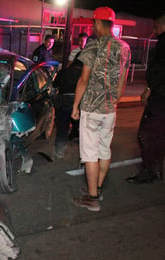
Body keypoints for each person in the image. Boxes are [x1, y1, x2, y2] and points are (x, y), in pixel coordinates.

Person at [71, 7, 131, 211]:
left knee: (89, 154)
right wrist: (115, 101)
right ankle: (97, 187)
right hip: (109, 109)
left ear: (97, 23)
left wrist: (75, 105)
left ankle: (92, 198)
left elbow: (83, 79)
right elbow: (122, 80)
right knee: (104, 150)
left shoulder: (93, 47)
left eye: (93, 23)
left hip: (91, 108)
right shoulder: (124, 48)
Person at [126, 13, 165, 184]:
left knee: (146, 133)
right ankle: (155, 166)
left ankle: (150, 169)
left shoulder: (163, 44)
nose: (154, 30)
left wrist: (149, 88)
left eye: (156, 26)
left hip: (160, 96)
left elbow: (160, 70)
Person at [52, 58, 83, 159]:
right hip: (80, 102)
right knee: (83, 127)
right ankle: (84, 154)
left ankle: (60, 151)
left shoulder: (64, 72)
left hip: (64, 100)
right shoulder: (84, 74)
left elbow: (54, 85)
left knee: (62, 127)